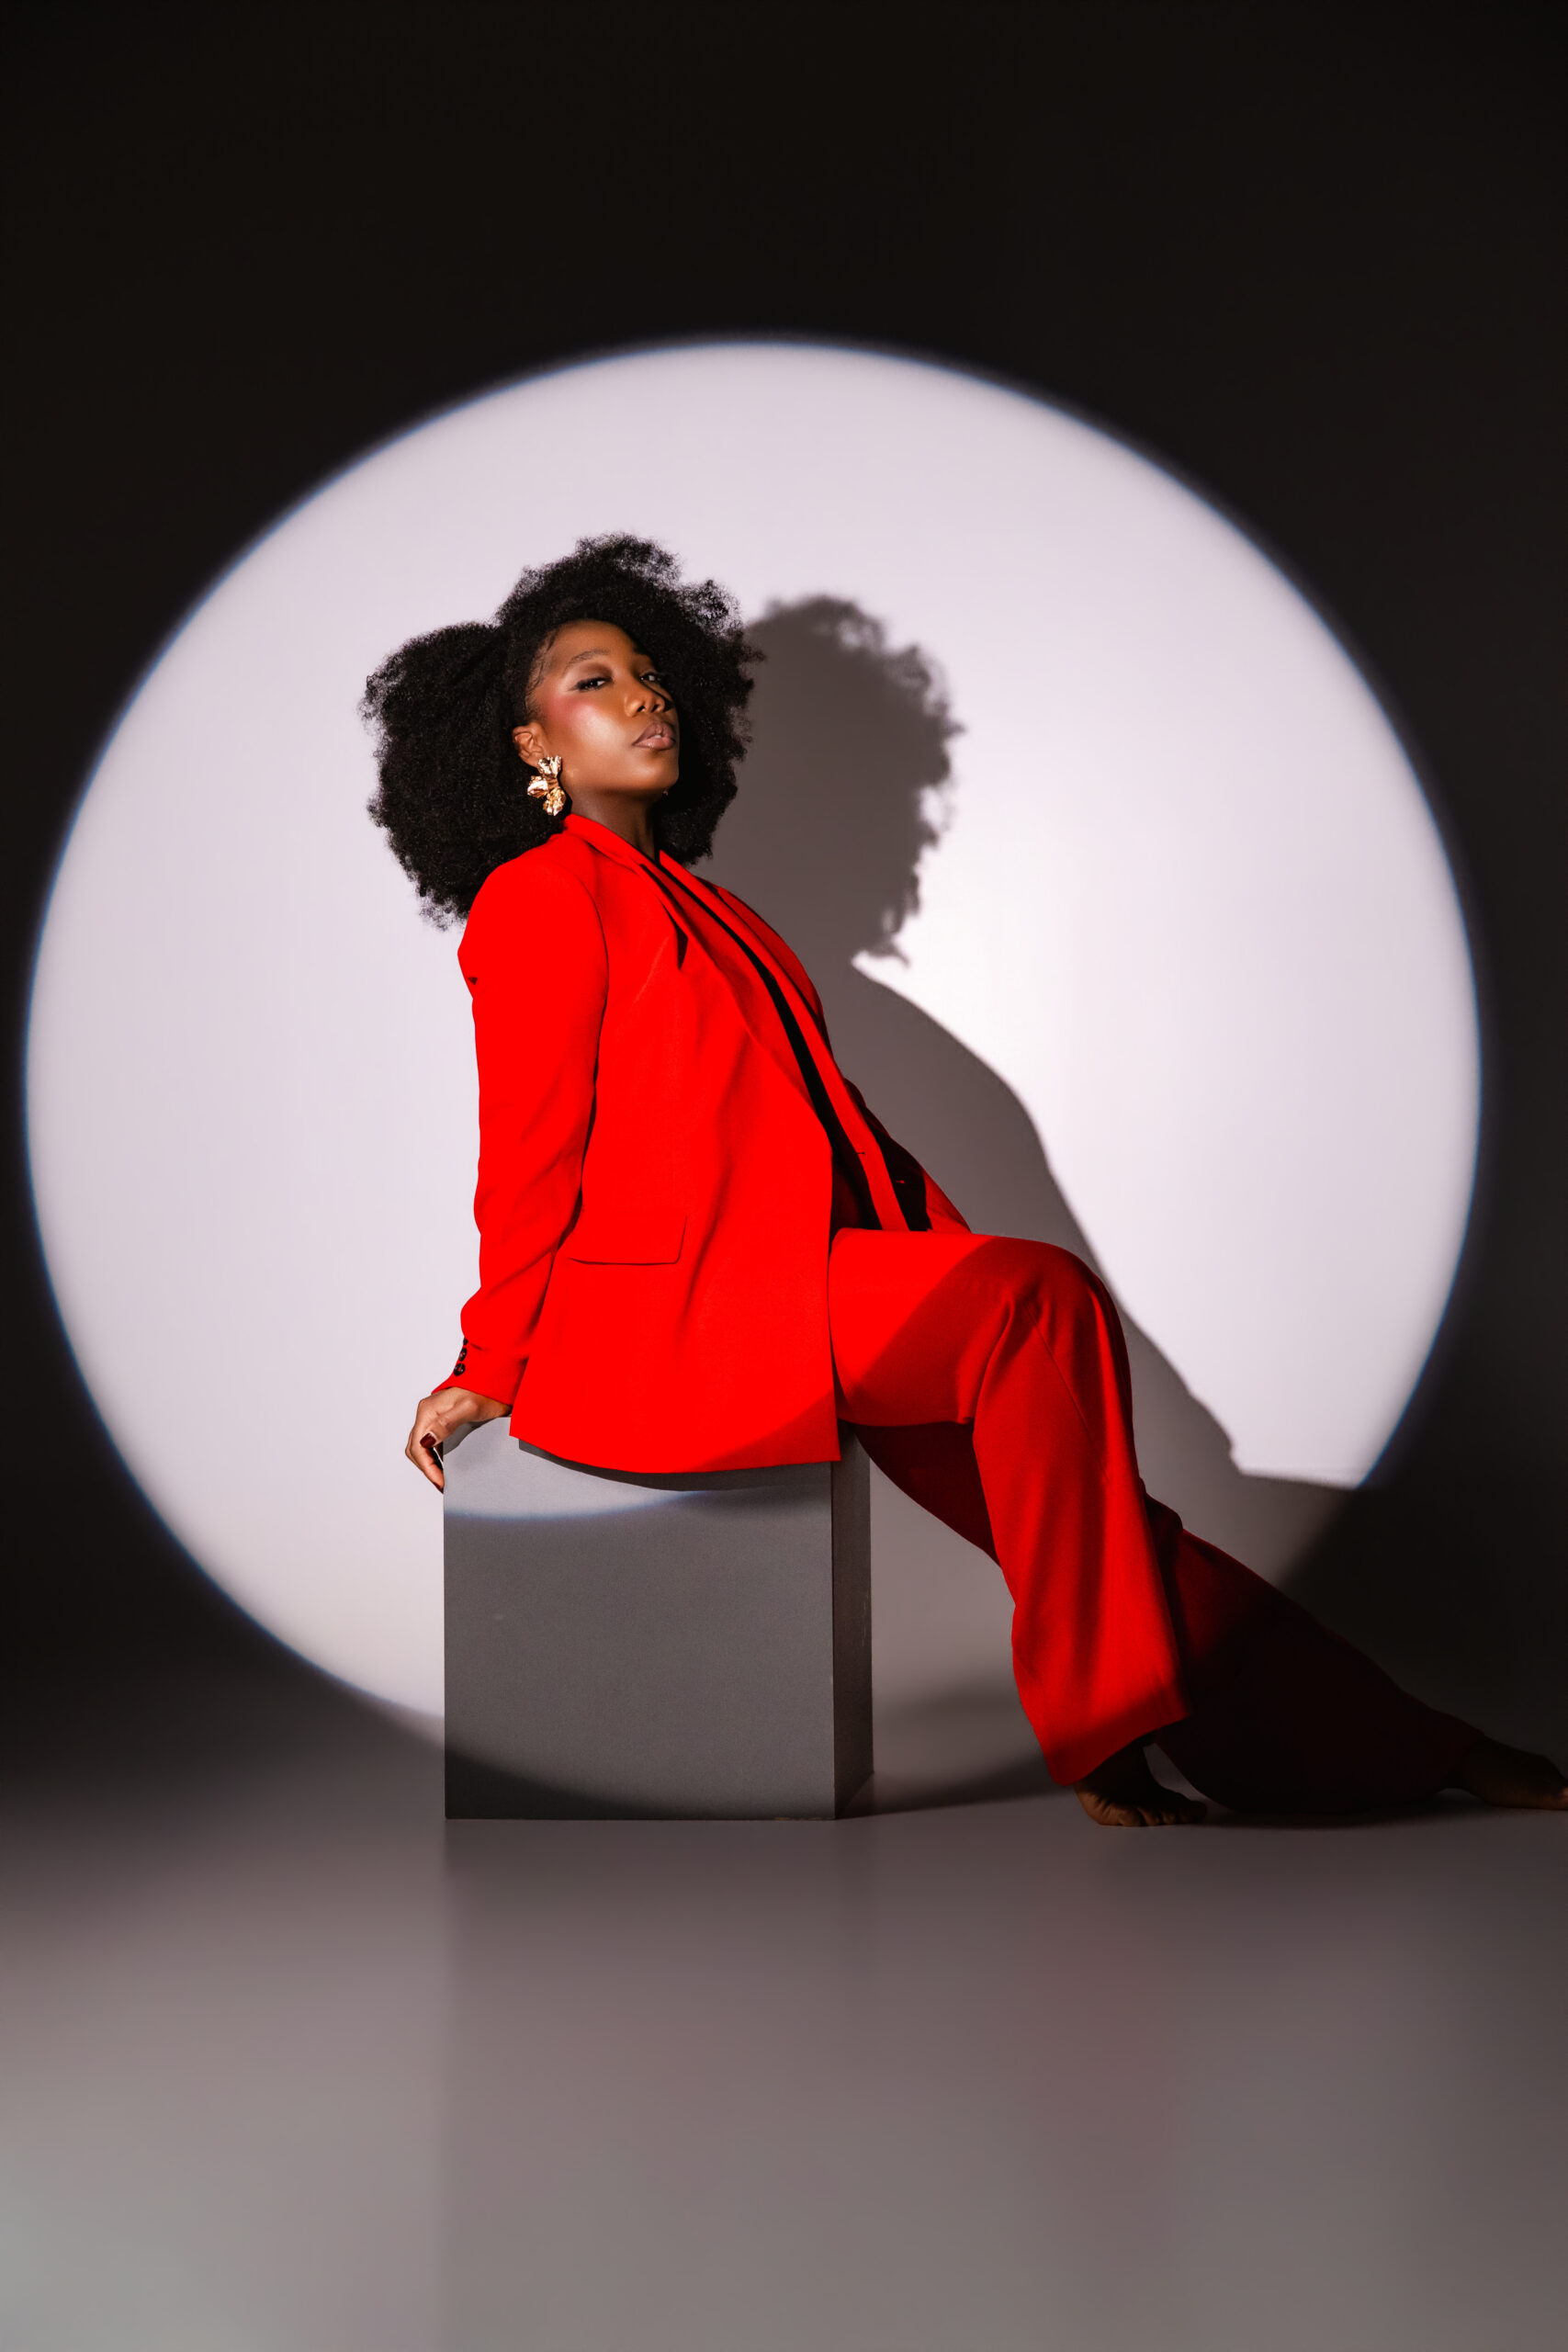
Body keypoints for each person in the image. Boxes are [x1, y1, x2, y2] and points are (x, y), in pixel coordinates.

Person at [367, 535, 1565, 1827]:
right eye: (594, 682)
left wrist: (921, 1257)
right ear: (533, 744)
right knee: (1034, 1303)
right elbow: (529, 1148)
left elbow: (821, 1124)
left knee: (1113, 1529)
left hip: (804, 1288)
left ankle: (1408, 1749)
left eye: (650, 673)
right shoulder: (539, 900)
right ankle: (1110, 1728)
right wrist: (490, 1357)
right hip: (685, 1320)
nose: (643, 696)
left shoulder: (712, 908)